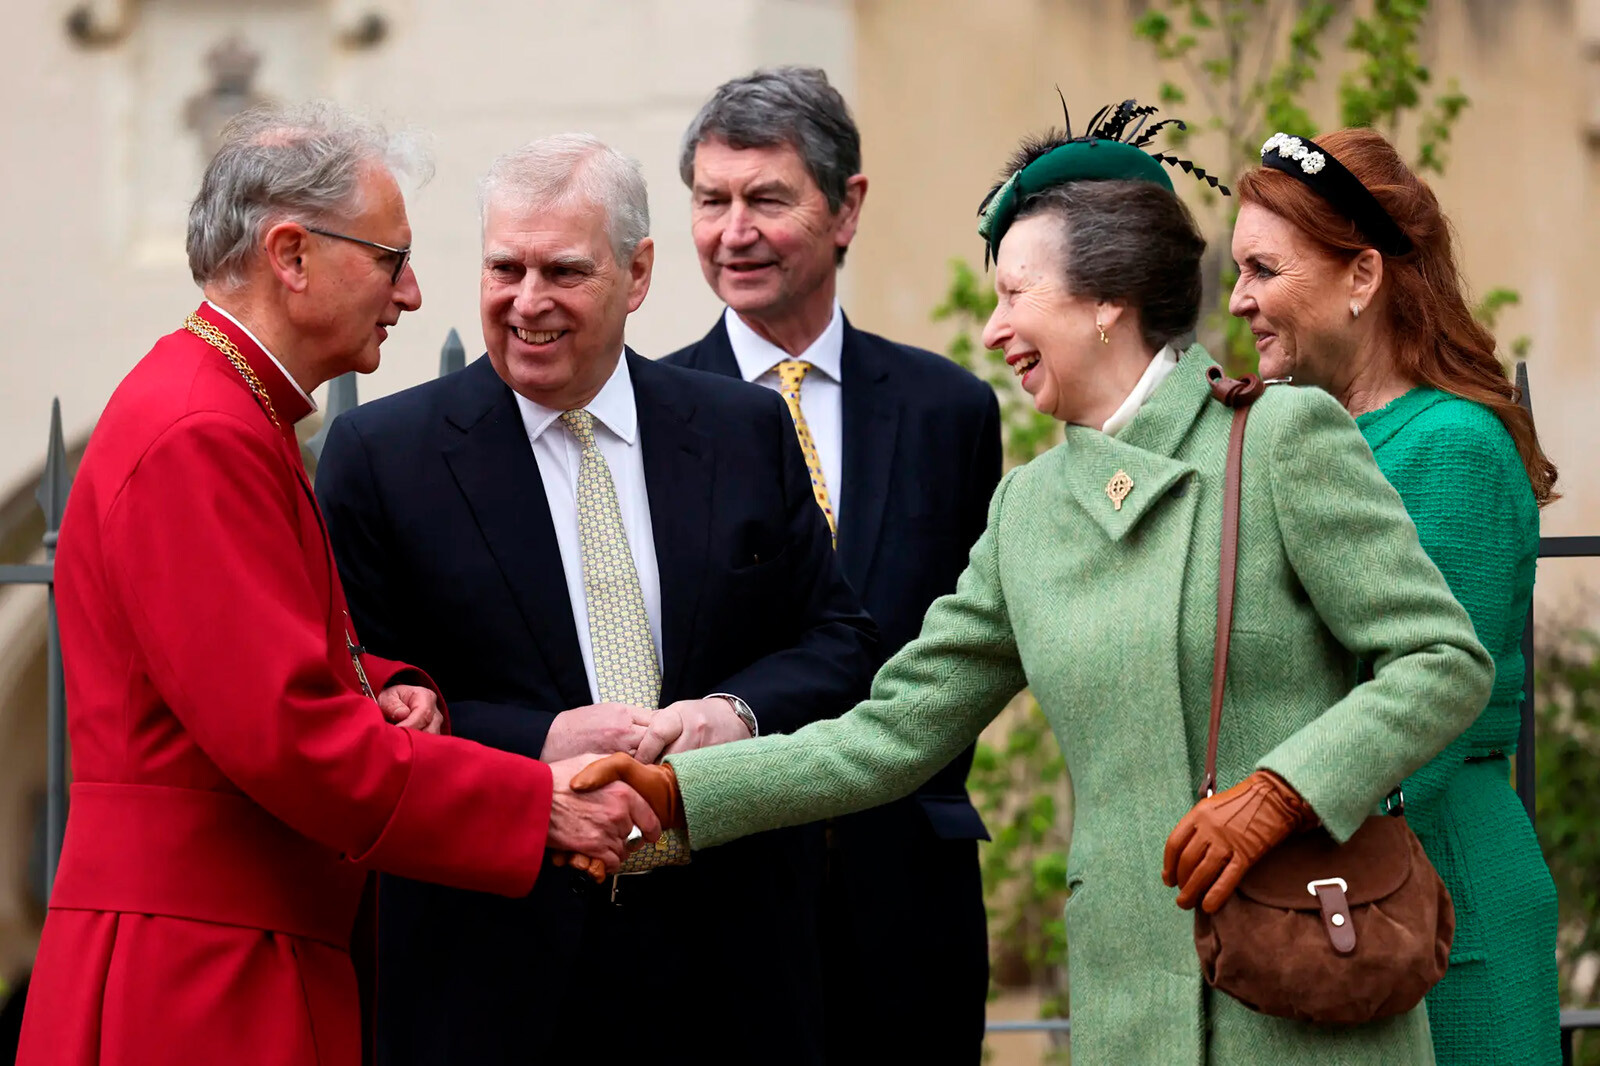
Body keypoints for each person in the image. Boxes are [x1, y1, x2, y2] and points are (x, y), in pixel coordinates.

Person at [565, 102, 1496, 1065]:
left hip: (1307, 991)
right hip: (1128, 1008)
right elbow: (887, 737)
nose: (995, 325)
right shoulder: (1031, 513)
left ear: (1107, 302)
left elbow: (1440, 661)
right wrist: (679, 790)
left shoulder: (1281, 441)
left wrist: (1285, 789)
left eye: (1016, 293)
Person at [14, 103, 659, 1066]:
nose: (410, 294)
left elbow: (264, 668)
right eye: (390, 259)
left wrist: (387, 690)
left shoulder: (227, 409)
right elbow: (286, 736)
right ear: (291, 254)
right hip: (201, 964)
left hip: (229, 938)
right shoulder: (201, 431)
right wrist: (536, 806)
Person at [314, 133, 878, 1066]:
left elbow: (839, 643)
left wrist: (727, 715)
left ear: (638, 271)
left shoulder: (742, 430)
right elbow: (363, 705)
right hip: (495, 976)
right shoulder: (383, 460)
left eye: (563, 270)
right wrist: (537, 740)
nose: (527, 302)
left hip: (731, 965)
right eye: (505, 267)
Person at [662, 66, 1001, 1061]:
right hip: (719, 892)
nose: (733, 232)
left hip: (909, 898)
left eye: (766, 198)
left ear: (845, 207)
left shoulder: (950, 413)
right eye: (710, 201)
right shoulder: (651, 414)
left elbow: (964, 647)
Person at [1229, 126, 1562, 1065]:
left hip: (1434, 904)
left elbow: (1426, 715)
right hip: (1339, 886)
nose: (1239, 298)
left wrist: (1270, 818)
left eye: (1262, 267)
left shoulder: (1451, 448)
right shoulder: (1307, 438)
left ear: (1362, 277)